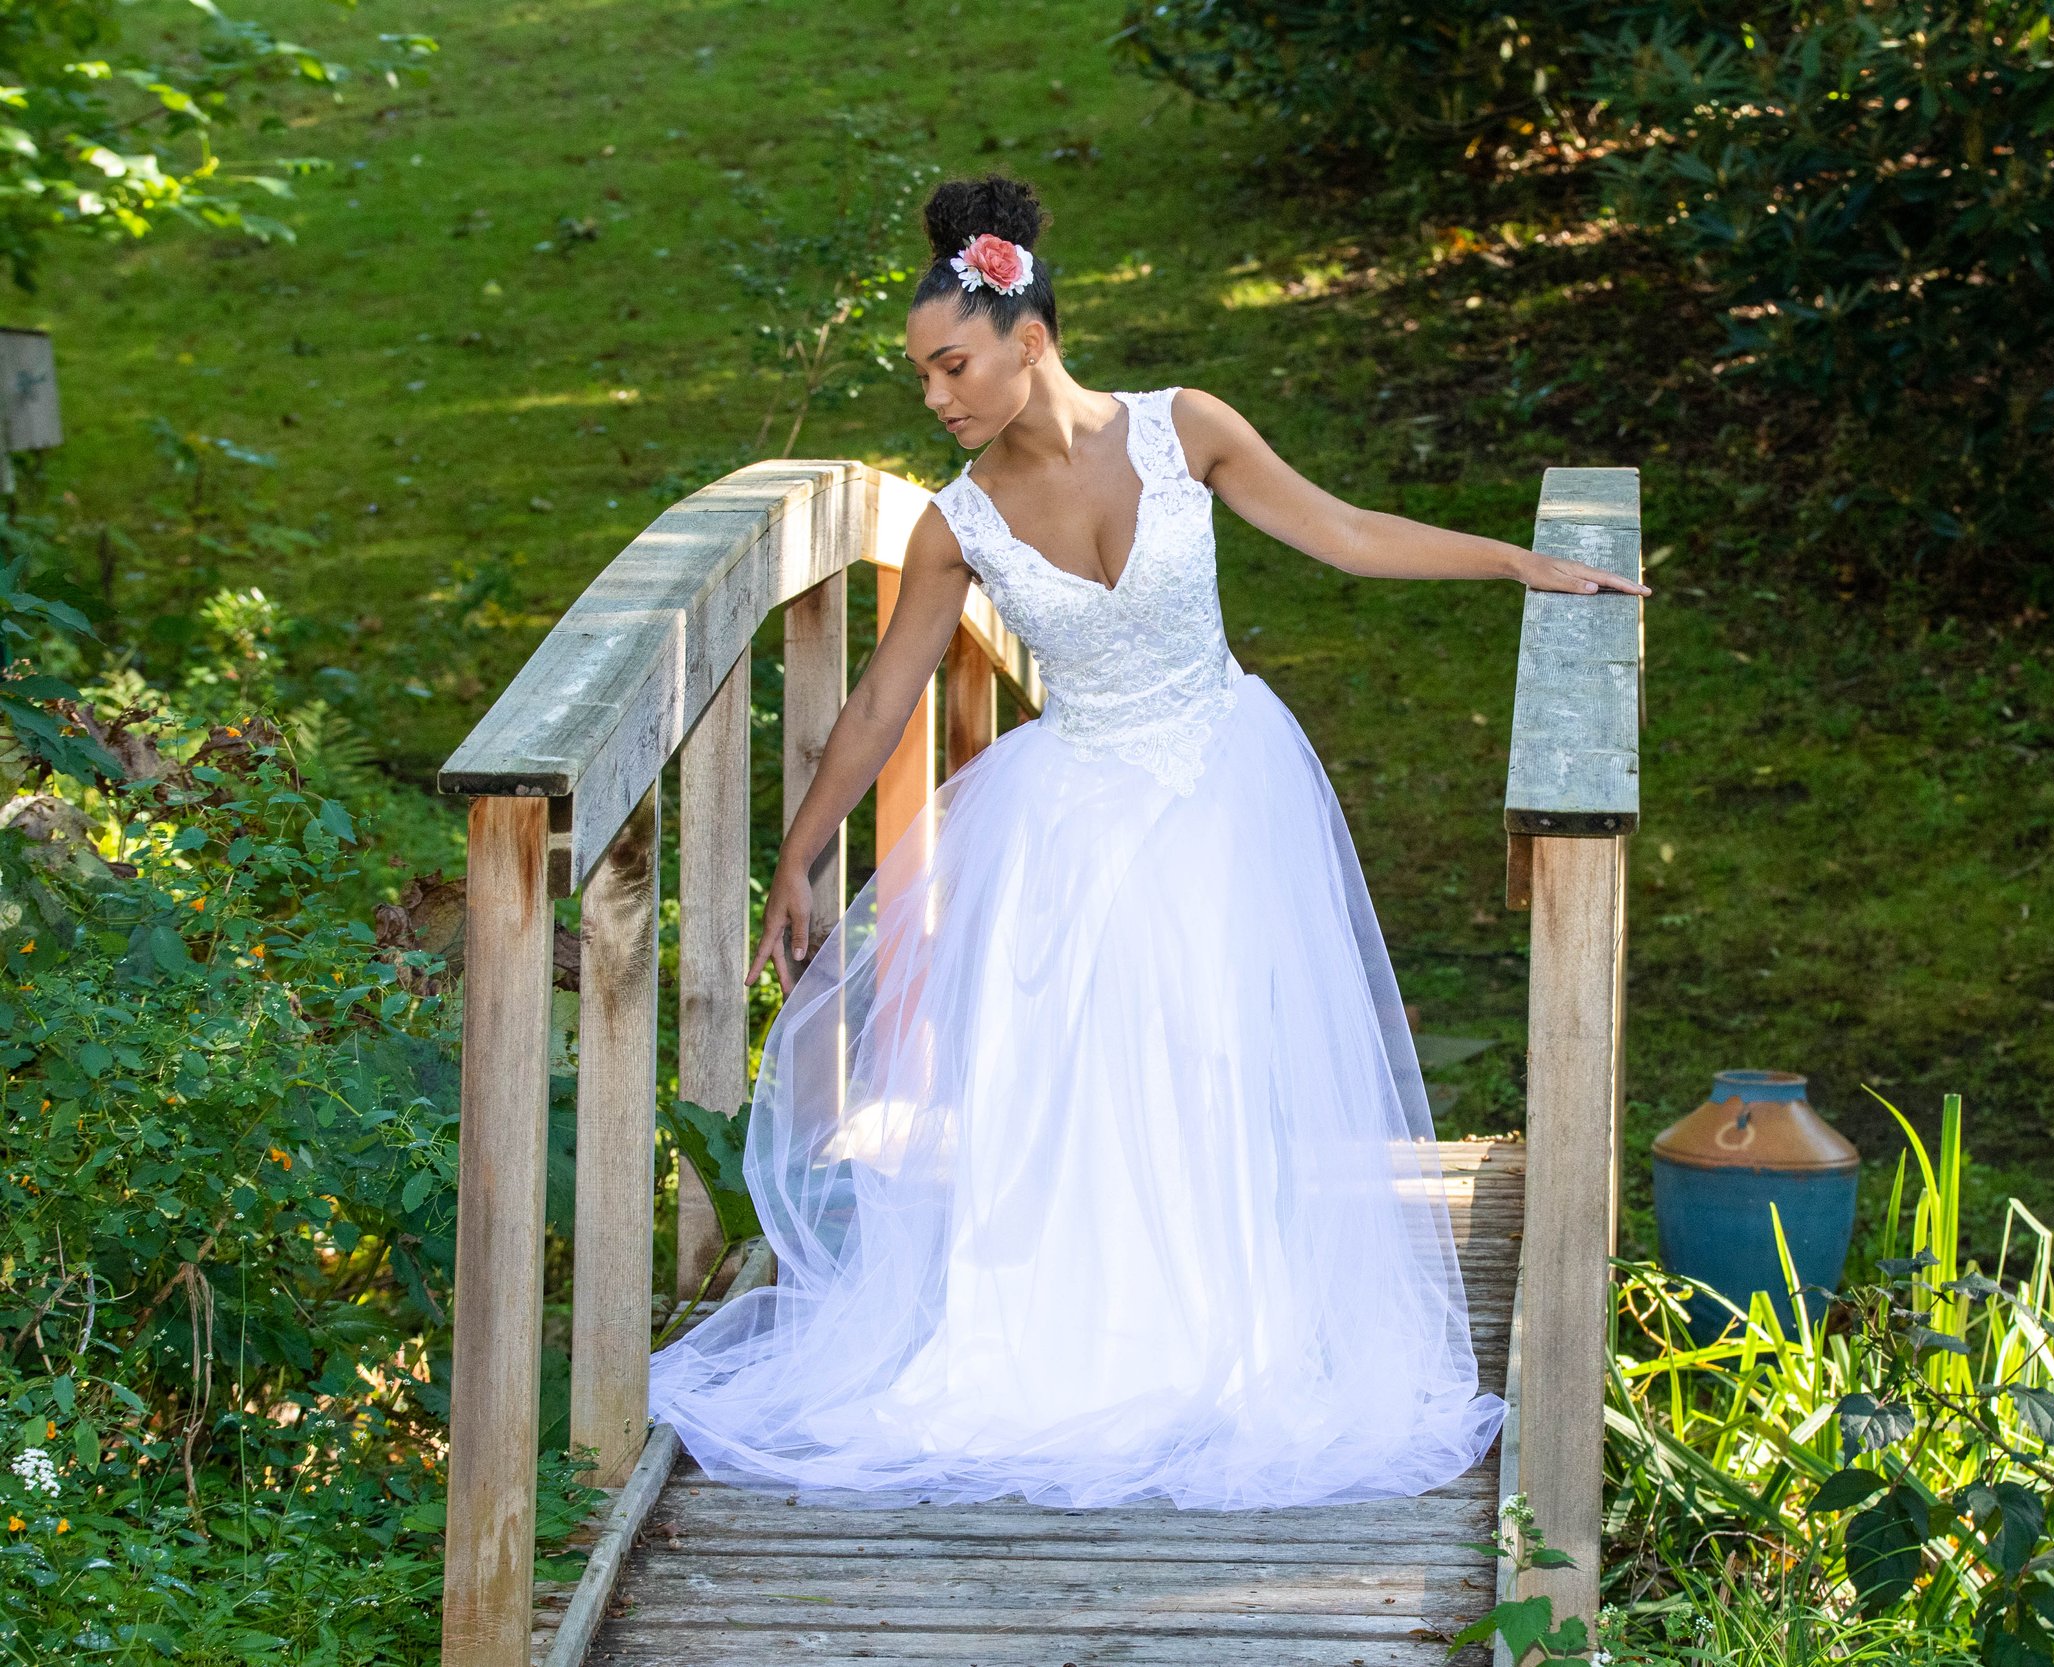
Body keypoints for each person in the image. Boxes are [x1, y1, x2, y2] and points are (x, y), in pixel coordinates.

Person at [648, 174, 1647, 1511]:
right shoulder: (957, 521)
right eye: (921, 375)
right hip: (1076, 815)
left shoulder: (1188, 430)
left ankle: (1227, 1335)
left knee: (1215, 1053)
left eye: (952, 365)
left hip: (1226, 783)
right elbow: (883, 697)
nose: (935, 396)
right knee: (1084, 1074)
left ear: (1030, 340)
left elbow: (1344, 532)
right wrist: (800, 855)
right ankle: (1075, 1340)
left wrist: (1518, 563)